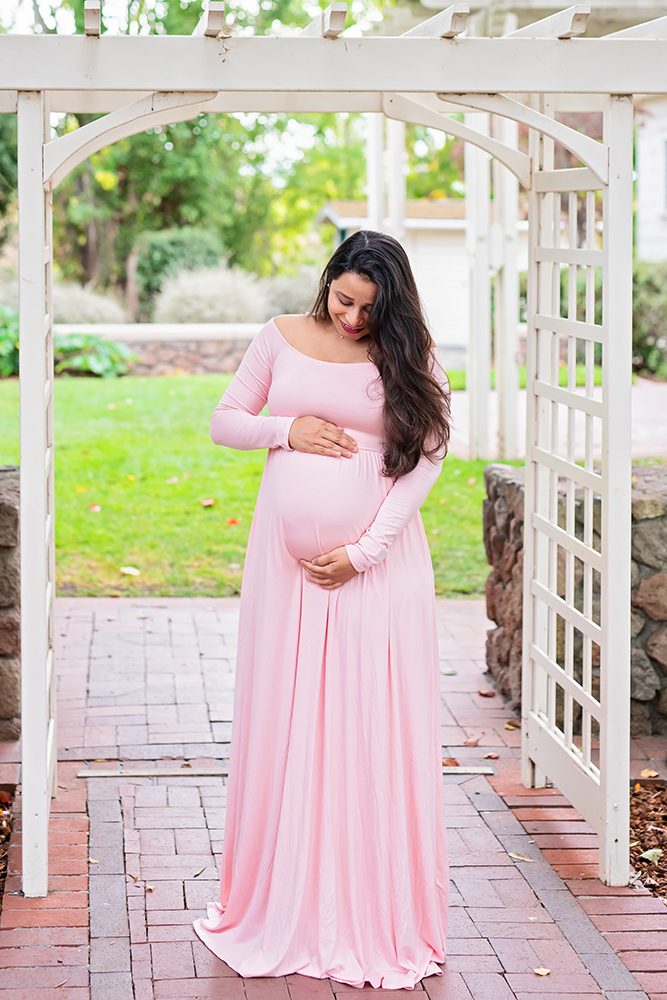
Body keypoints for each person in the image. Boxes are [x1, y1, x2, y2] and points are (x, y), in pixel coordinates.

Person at [193, 229, 452, 990]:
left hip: (376, 571)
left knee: (367, 729)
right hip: (286, 578)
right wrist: (287, 429)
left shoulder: (409, 354)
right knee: (290, 722)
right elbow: (223, 421)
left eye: (370, 309)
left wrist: (364, 551)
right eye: (344, 300)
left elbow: (429, 456)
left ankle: (366, 912)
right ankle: (289, 904)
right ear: (327, 281)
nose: (351, 320)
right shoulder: (279, 337)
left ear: (392, 304)